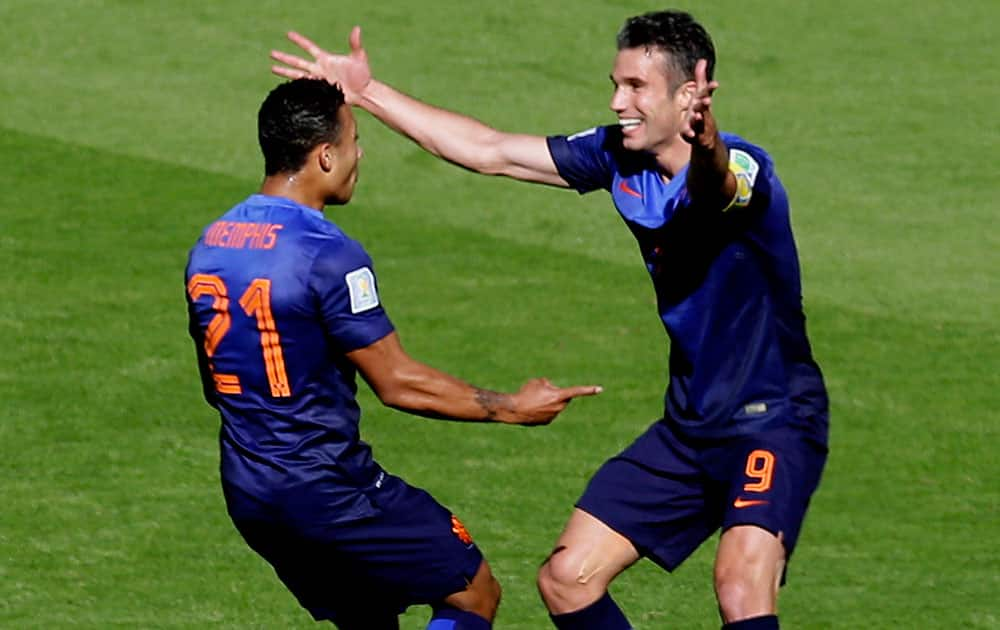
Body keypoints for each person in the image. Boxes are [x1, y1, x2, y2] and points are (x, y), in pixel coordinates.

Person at [270, 9, 829, 630]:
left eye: (636, 87)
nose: (618, 101)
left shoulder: (747, 169)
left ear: (690, 93)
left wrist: (710, 144)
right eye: (616, 84)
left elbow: (721, 185)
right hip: (691, 423)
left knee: (740, 582)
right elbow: (489, 151)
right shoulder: (618, 157)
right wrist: (366, 93)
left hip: (773, 417)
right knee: (567, 580)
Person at [185, 78, 602, 630]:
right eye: (355, 140)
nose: (361, 154)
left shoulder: (209, 246)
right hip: (329, 488)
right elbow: (399, 382)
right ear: (325, 155)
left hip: (250, 492)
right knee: (472, 592)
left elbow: (215, 384)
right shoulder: (329, 255)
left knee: (367, 616)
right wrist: (512, 407)